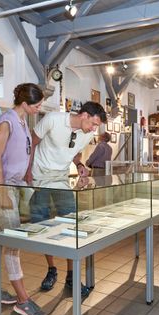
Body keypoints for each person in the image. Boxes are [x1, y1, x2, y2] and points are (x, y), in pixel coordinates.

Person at [25, 101, 107, 296]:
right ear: (84, 115)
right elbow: (31, 143)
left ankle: (71, 276)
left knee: (72, 226)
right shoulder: (53, 120)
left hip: (61, 180)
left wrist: (79, 164)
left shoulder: (86, 135)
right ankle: (51, 269)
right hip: (40, 179)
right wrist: (27, 171)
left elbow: (75, 152)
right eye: (94, 124)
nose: (94, 129)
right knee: (44, 226)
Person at [0, 83, 47, 315]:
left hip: (15, 186)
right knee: (12, 243)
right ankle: (22, 300)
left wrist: (28, 178)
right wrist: (0, 192)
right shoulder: (6, 121)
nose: (39, 108)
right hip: (3, 187)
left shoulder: (23, 122)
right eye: (37, 105)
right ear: (24, 104)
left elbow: (25, 154)